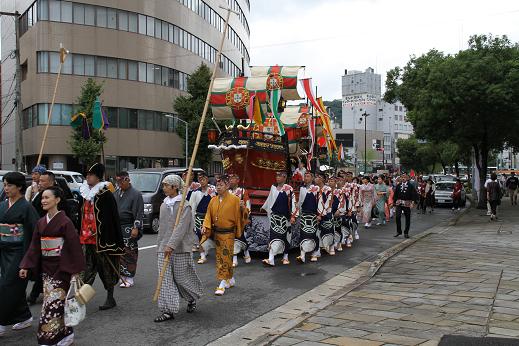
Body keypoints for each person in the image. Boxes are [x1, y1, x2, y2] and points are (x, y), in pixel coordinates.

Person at [19, 186, 86, 345]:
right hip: (47, 270)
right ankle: (66, 335)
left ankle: (48, 338)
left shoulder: (65, 222)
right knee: (58, 305)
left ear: (57, 200)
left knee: (51, 306)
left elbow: (73, 247)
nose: (43, 200)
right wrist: (25, 266)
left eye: (47, 197)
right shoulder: (41, 222)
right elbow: (35, 246)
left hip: (62, 269)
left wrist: (75, 271)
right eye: (42, 198)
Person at [155, 174, 203, 322]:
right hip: (164, 247)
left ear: (175, 187)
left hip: (180, 248)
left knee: (182, 278)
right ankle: (168, 310)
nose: (163, 188)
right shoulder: (164, 204)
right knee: (165, 280)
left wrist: (172, 244)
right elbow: (162, 229)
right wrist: (162, 246)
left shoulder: (185, 205)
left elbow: (182, 228)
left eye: (166, 185)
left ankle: (192, 298)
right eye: (163, 185)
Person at [79, 163, 124, 310]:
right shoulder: (84, 193)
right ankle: (80, 299)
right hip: (86, 238)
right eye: (87, 174)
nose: (87, 177)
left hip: (102, 240)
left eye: (90, 174)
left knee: (106, 269)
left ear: (98, 177)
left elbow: (112, 220)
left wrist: (105, 235)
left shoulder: (106, 194)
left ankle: (110, 298)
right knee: (86, 270)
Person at [0, 172, 39, 336]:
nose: (6, 188)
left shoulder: (27, 207)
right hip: (4, 250)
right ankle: (24, 316)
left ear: (19, 187)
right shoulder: (2, 205)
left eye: (9, 185)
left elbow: (35, 233)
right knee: (13, 286)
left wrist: (28, 259)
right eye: (5, 185)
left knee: (7, 286)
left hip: (19, 251)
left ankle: (1, 321)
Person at [27, 170, 72, 305]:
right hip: (42, 242)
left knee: (55, 283)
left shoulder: (59, 197)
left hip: (57, 249)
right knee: (43, 271)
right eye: (39, 180)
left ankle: (37, 294)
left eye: (43, 181)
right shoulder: (39, 195)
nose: (39, 183)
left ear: (51, 182)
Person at [202, 175, 243, 295]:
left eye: (221, 185)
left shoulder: (235, 199)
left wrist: (242, 208)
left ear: (227, 185)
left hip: (228, 233)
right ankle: (230, 278)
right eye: (217, 185)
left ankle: (222, 283)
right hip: (217, 233)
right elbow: (208, 215)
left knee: (225, 257)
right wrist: (205, 226)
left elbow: (243, 215)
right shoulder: (213, 200)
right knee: (221, 257)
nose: (218, 187)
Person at [114, 171, 144, 288]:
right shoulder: (115, 193)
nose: (119, 183)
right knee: (120, 252)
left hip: (129, 226)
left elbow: (139, 212)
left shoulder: (136, 194)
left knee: (130, 252)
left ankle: (130, 277)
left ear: (127, 180)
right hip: (118, 227)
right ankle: (123, 276)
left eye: (121, 181)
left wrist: (136, 227)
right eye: (117, 181)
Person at [261, 171, 297, 266]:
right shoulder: (273, 187)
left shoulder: (289, 189)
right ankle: (271, 259)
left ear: (285, 178)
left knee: (286, 237)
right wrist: (264, 207)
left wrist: (293, 216)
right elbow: (270, 199)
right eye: (277, 176)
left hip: (285, 217)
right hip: (275, 216)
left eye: (280, 176)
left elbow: (293, 202)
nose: (277, 177)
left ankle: (285, 256)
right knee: (274, 236)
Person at [189, 171, 216, 264]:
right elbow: (192, 207)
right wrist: (192, 220)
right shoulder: (195, 192)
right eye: (200, 179)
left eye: (204, 179)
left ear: (207, 179)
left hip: (211, 216)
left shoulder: (213, 191)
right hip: (199, 217)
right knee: (200, 236)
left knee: (215, 235)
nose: (202, 181)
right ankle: (202, 255)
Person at [228, 173, 252, 267]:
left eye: (233, 179)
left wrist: (243, 208)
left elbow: (248, 204)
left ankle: (245, 251)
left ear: (238, 180)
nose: (231, 180)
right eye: (229, 179)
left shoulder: (242, 191)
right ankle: (236, 257)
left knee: (239, 237)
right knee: (232, 238)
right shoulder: (227, 192)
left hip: (240, 219)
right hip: (229, 218)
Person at [296, 172, 320, 263]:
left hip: (313, 214)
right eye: (305, 176)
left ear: (312, 178)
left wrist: (319, 214)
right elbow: (300, 202)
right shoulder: (302, 188)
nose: (306, 178)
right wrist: (296, 210)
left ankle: (314, 252)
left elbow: (319, 201)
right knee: (303, 234)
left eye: (308, 176)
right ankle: (302, 255)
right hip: (304, 214)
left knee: (313, 234)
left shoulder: (316, 188)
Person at [393, 173, 418, 239]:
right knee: (397, 216)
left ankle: (406, 232)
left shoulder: (410, 186)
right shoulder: (398, 185)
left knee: (407, 218)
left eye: (405, 177)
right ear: (400, 178)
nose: (403, 178)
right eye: (402, 177)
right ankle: (399, 231)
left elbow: (414, 194)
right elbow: (395, 195)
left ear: (407, 178)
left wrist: (412, 203)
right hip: (399, 203)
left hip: (407, 203)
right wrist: (394, 203)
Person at [315, 172, 334, 256]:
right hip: (316, 213)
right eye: (316, 177)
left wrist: (321, 213)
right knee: (317, 232)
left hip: (326, 213)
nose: (316, 179)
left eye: (318, 177)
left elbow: (328, 203)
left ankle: (330, 246)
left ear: (323, 179)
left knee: (328, 230)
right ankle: (318, 249)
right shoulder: (314, 188)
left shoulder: (328, 189)